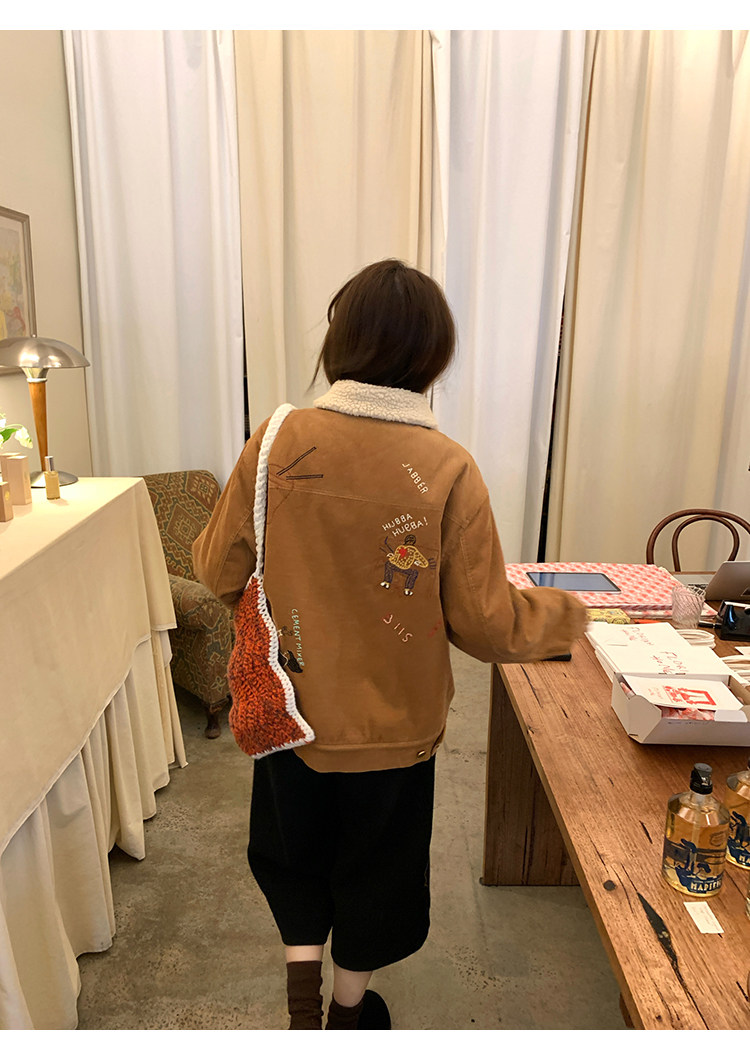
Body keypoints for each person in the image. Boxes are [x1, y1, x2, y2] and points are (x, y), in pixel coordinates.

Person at [192, 259, 588, 1031]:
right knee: (377, 872)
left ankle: (300, 1006)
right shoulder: (449, 467)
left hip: (290, 709)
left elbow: (215, 571)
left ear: (339, 340)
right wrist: (572, 617)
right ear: (433, 354)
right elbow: (486, 624)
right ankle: (349, 1013)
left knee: (292, 855)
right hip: (396, 727)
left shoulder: (276, 439)